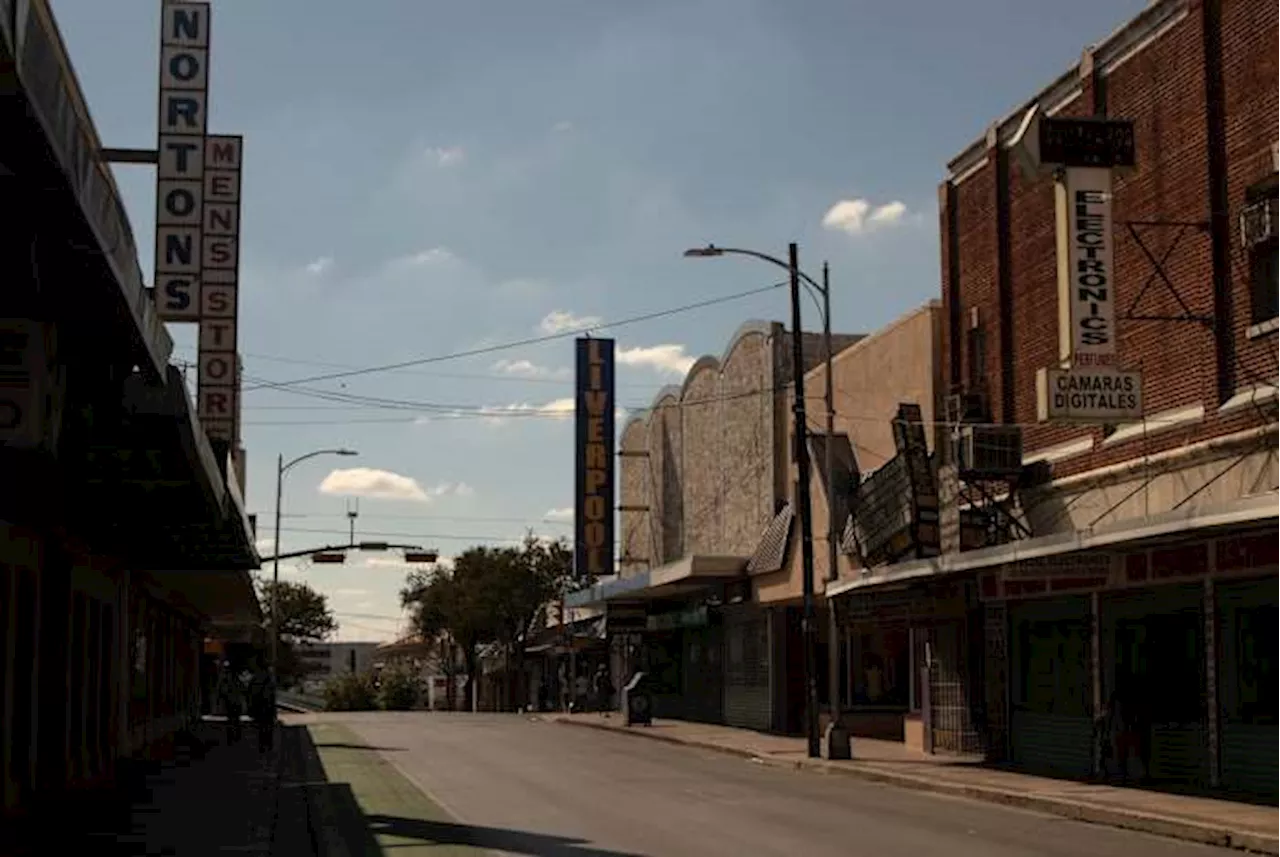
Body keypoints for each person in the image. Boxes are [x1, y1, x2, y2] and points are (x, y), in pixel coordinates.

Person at [248, 657, 277, 752]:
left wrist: (251, 707)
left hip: (260, 706)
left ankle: (262, 745)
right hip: (267, 706)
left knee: (261, 727)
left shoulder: (255, 678)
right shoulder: (269, 678)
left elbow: (251, 693)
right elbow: (272, 695)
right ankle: (268, 744)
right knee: (268, 727)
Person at [216, 661, 244, 743]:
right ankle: (234, 735)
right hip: (234, 701)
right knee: (234, 720)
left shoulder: (226, 678)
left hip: (232, 701)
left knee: (232, 719)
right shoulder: (235, 678)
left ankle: (232, 736)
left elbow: (221, 690)